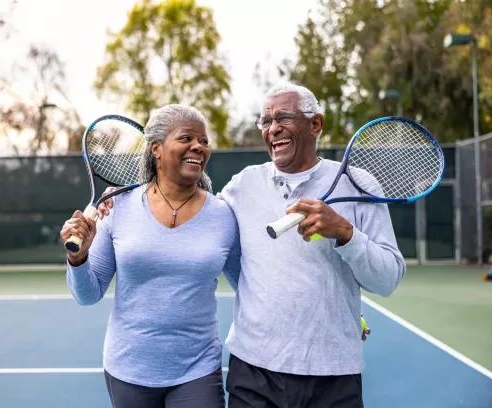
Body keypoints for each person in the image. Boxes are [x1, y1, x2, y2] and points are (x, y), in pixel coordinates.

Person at [98, 82, 404, 407]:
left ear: (315, 124)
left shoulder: (357, 185)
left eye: (283, 117)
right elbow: (190, 210)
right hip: (254, 373)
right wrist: (121, 198)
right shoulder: (242, 188)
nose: (273, 129)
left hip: (333, 371)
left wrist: (344, 233)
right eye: (265, 121)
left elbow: (387, 279)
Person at [59, 104, 241, 408]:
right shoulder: (117, 206)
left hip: (197, 369)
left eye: (204, 141)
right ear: (156, 148)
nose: (198, 146)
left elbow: (248, 286)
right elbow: (87, 295)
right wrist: (79, 259)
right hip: (127, 369)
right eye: (186, 138)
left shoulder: (223, 215)